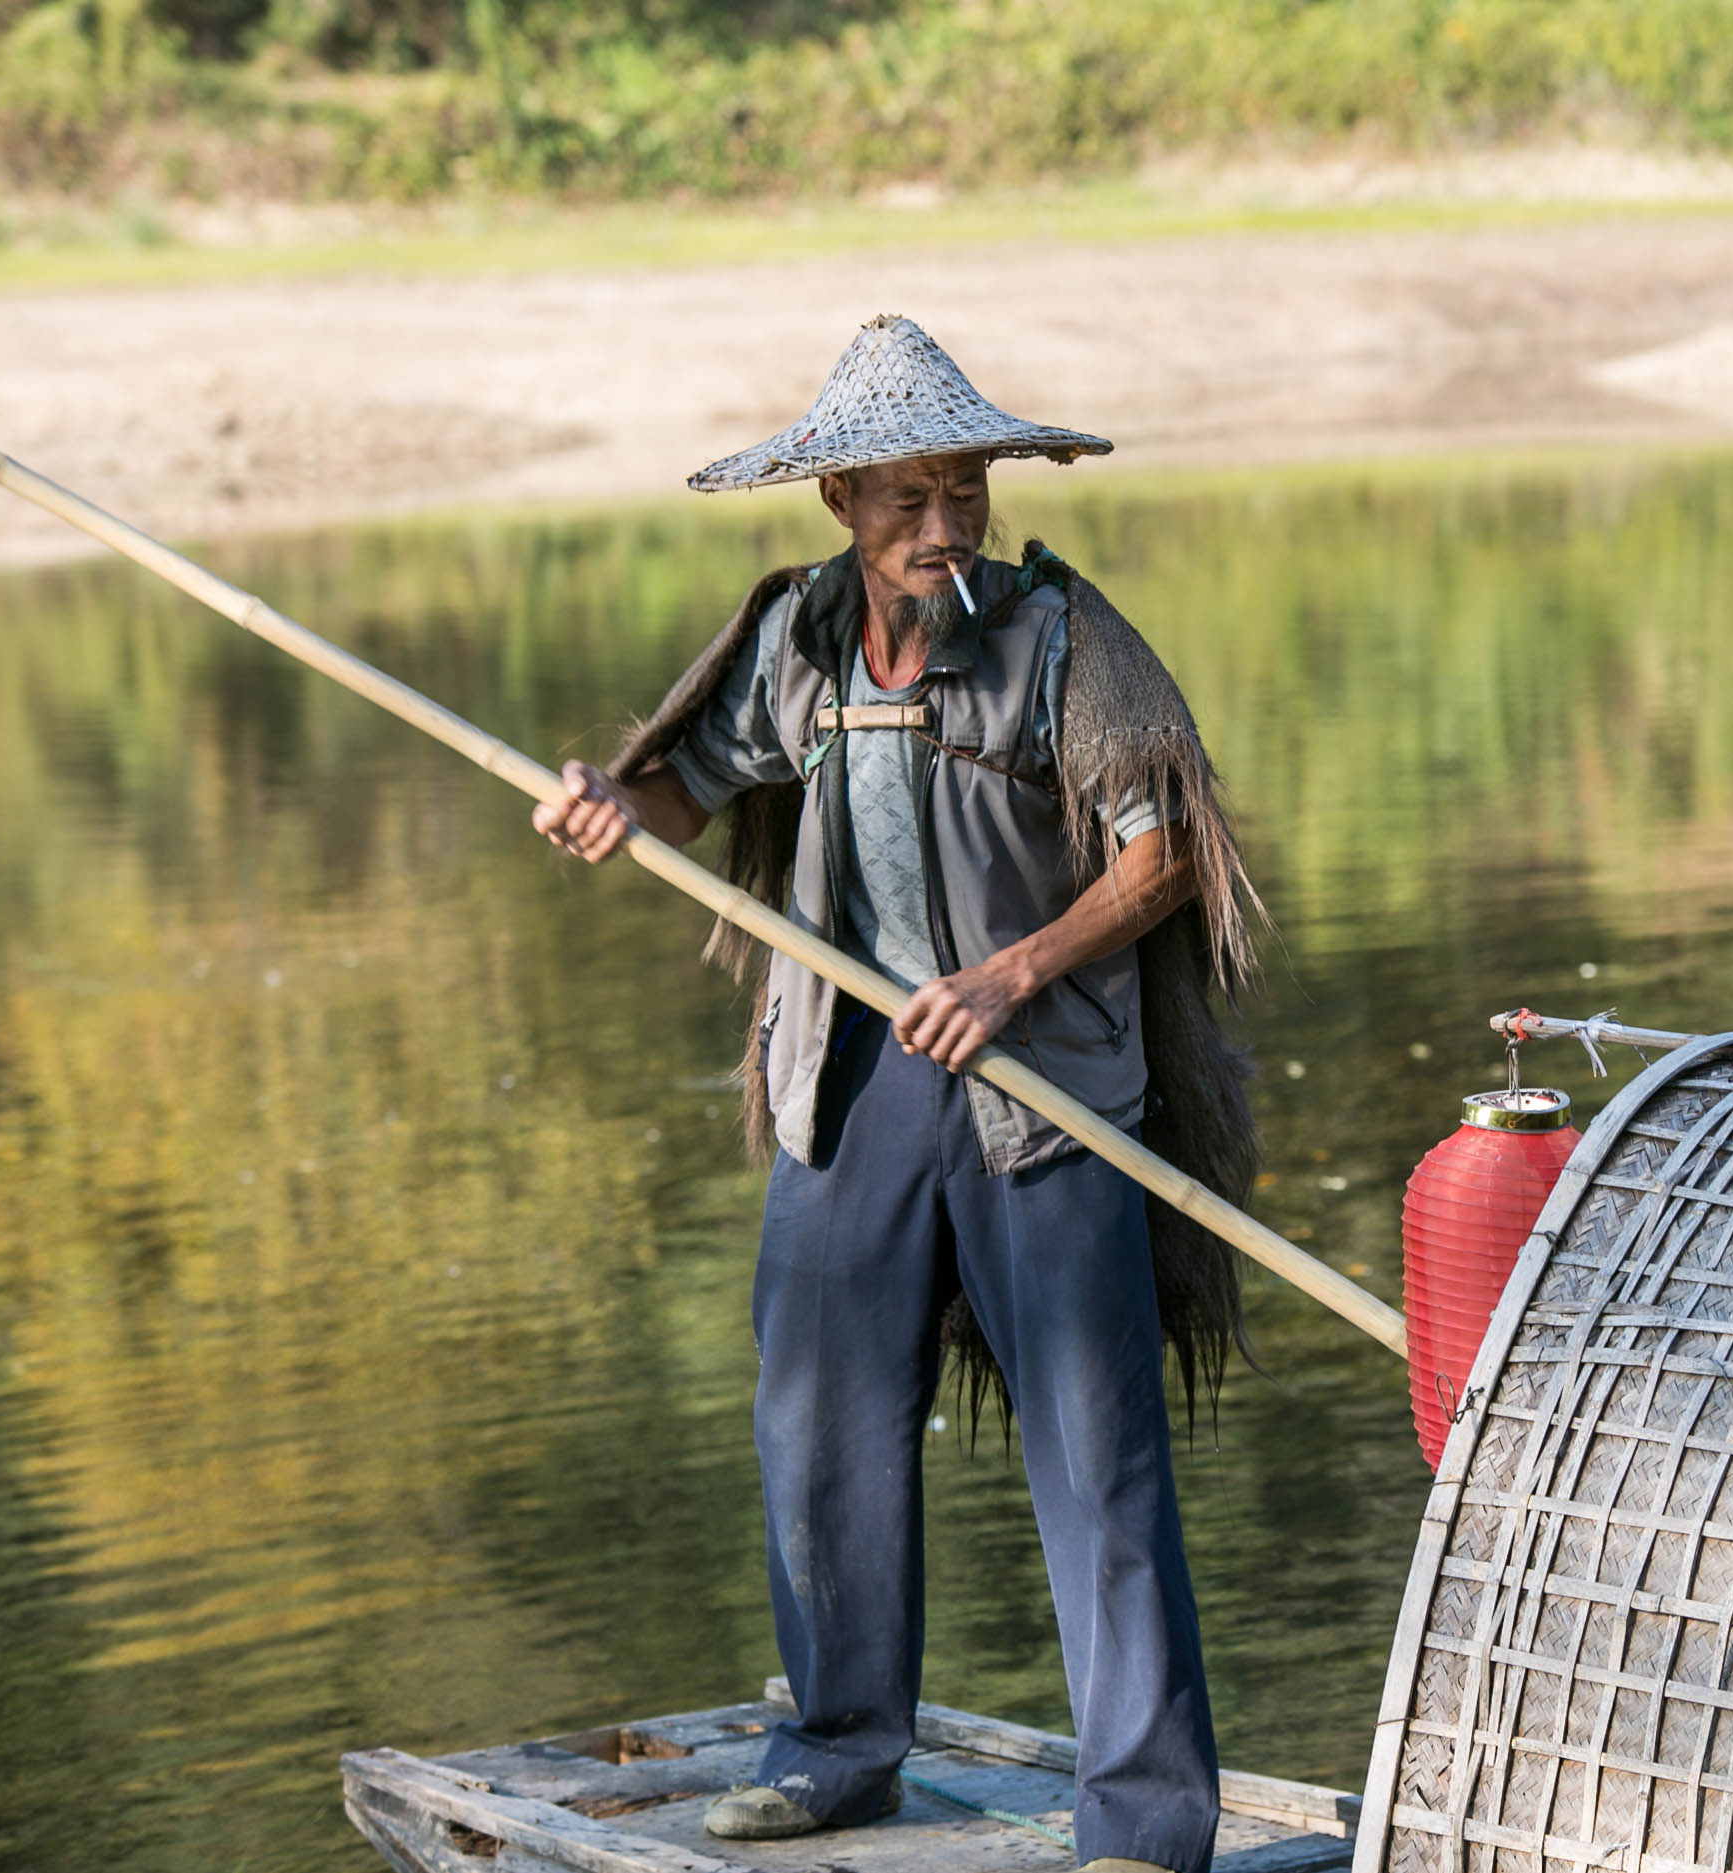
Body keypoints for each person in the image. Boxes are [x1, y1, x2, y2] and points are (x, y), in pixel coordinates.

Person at [531, 314, 1262, 1873]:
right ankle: (837, 1749)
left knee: (1098, 1454)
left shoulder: (1064, 641)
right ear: (839, 507)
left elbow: (1164, 854)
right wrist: (613, 805)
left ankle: (1141, 1818)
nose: (944, 529)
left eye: (964, 495)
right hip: (849, 1090)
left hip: (1039, 1096)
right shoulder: (795, 640)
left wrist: (1012, 974)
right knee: (817, 1424)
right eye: (908, 502)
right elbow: (687, 784)